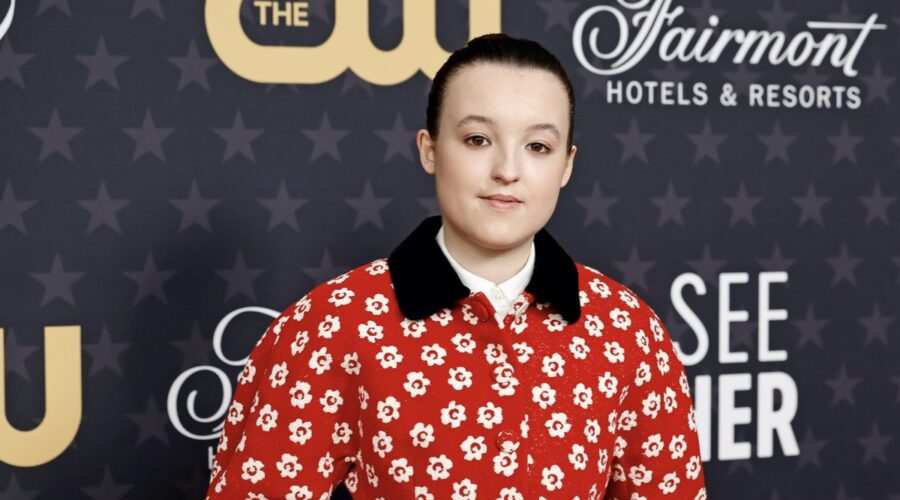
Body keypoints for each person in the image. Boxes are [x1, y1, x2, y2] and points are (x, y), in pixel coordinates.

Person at [206, 33, 707, 499]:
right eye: (477, 140)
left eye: (538, 147)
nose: (507, 170)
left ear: (567, 165)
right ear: (429, 150)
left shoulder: (627, 331)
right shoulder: (334, 325)